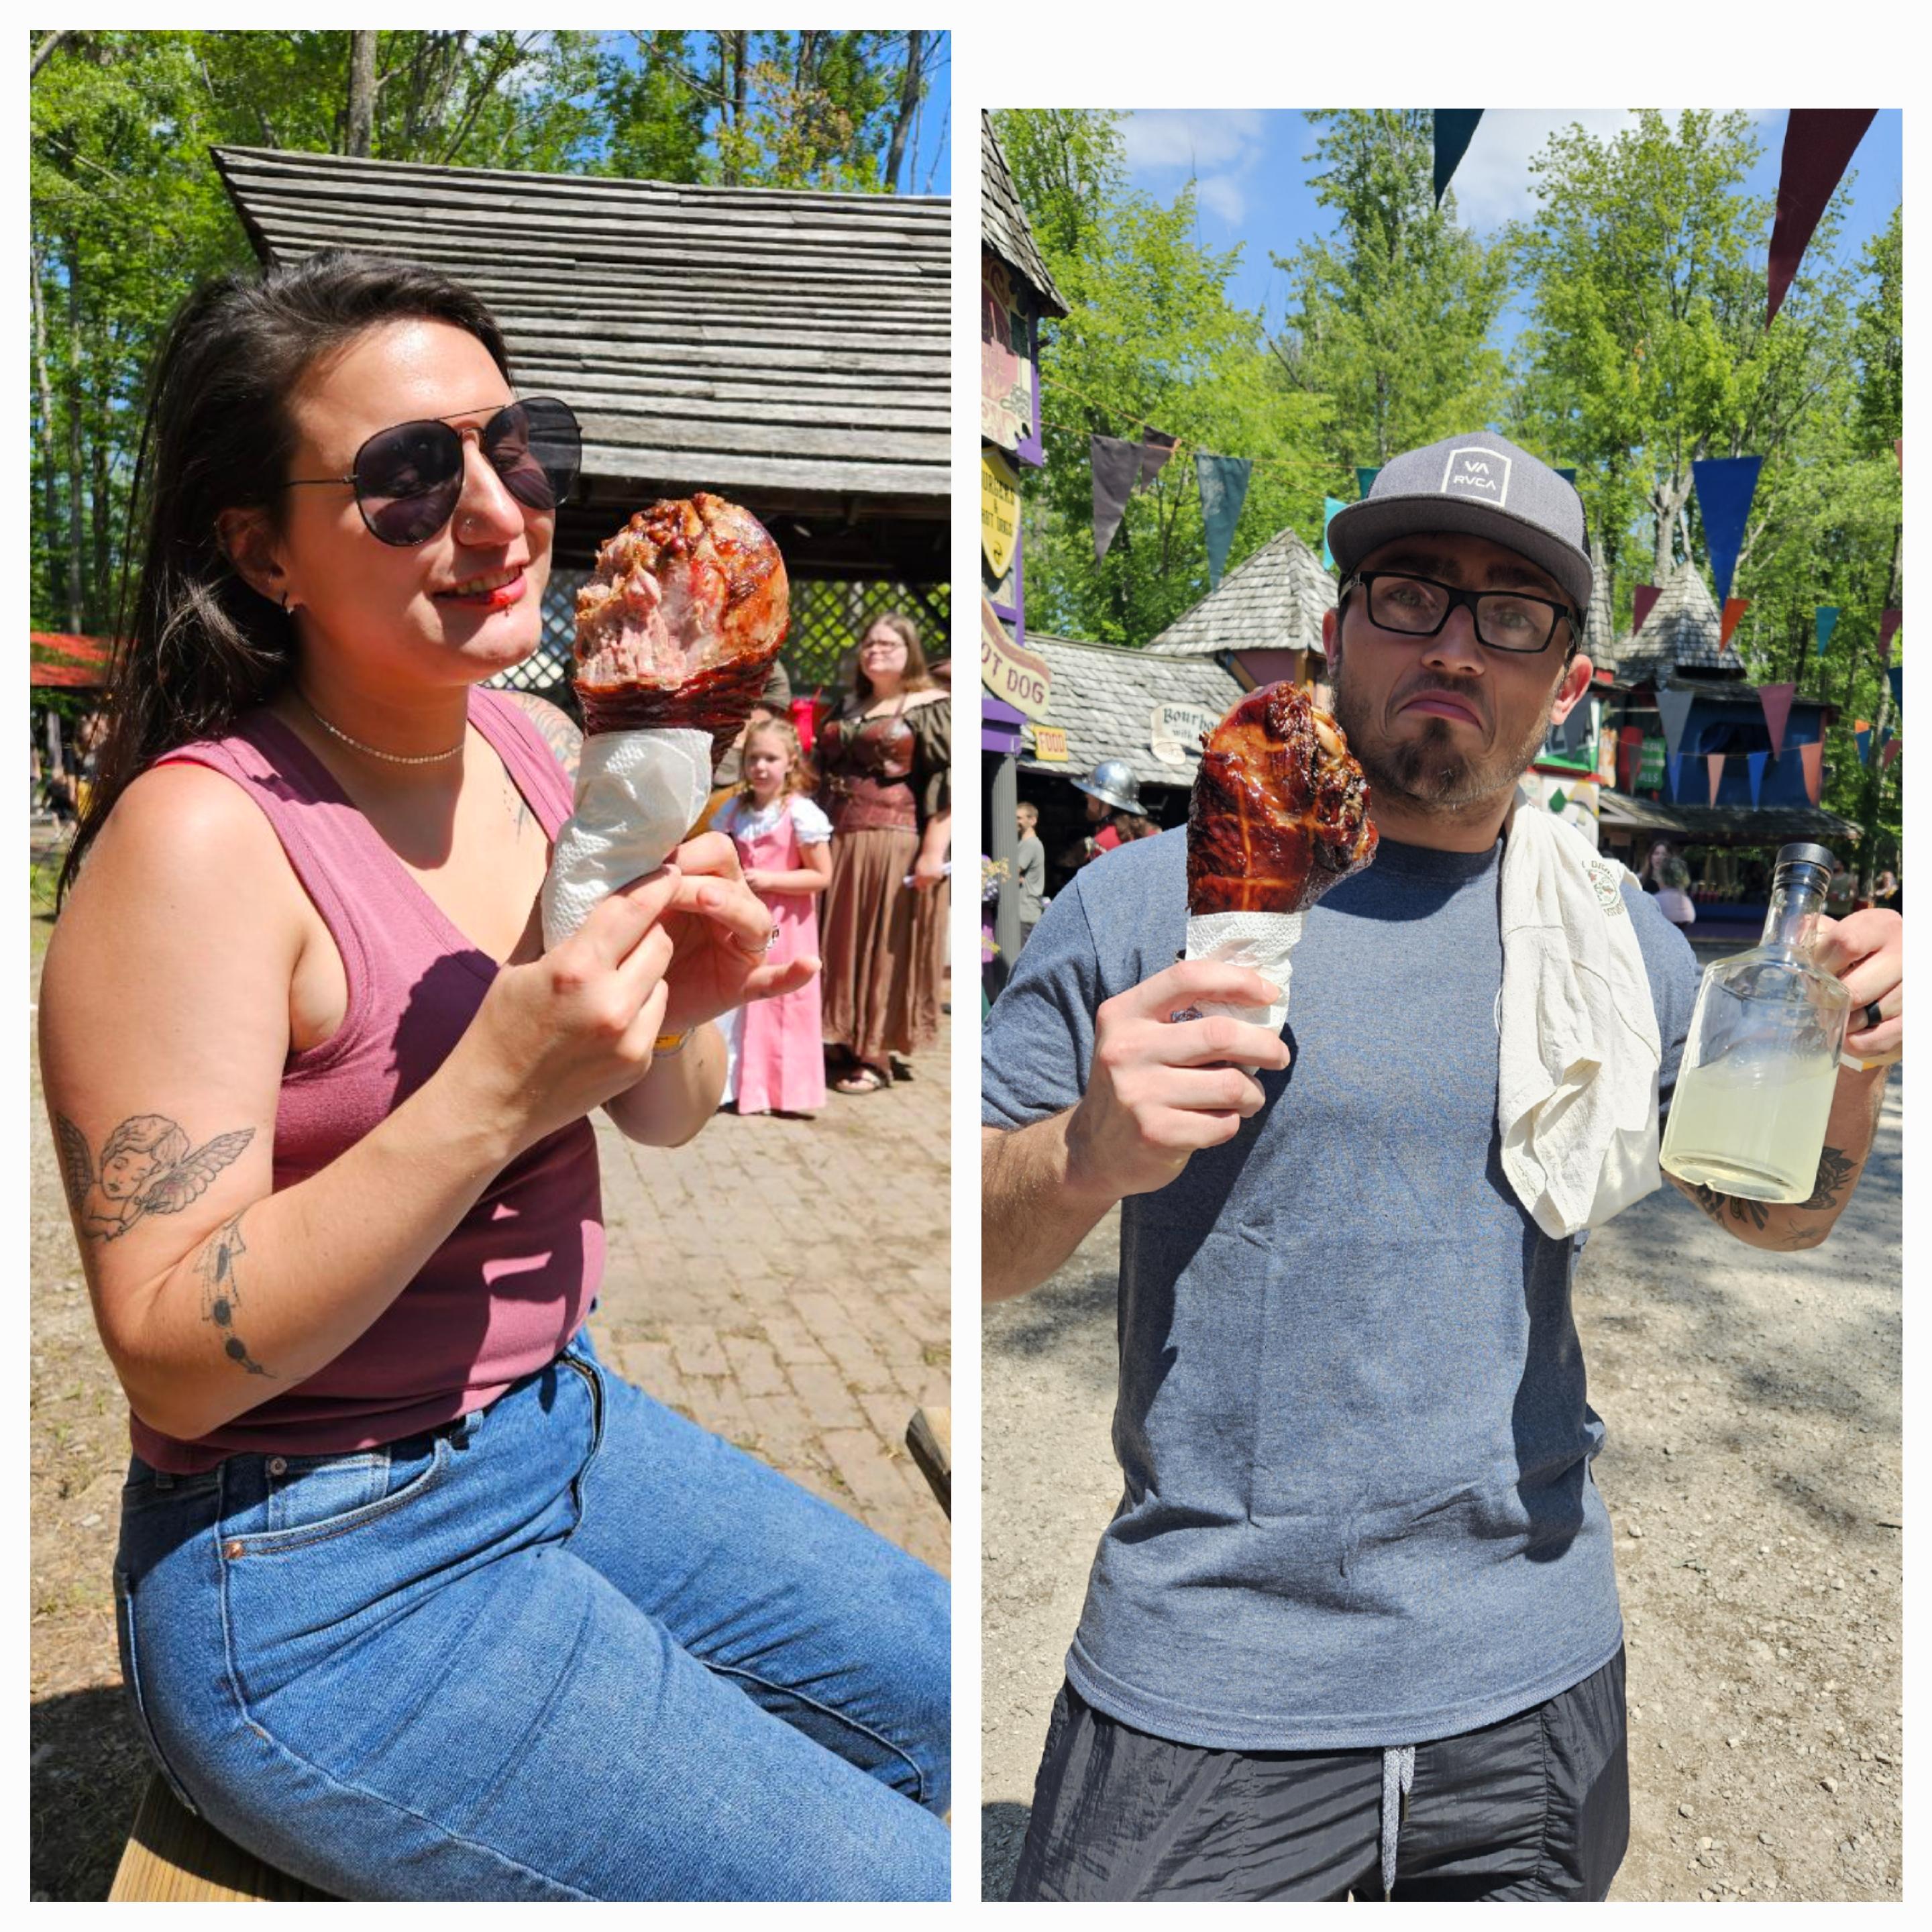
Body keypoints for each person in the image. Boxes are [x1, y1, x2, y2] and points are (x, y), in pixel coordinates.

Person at [38, 250, 948, 1902]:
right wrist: (498, 1090)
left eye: (518, 448)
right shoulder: (201, 842)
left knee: (961, 1697)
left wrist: (686, 1006)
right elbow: (172, 1354)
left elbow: (662, 1112)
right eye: (405, 476)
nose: (498, 513)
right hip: (318, 1567)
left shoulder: (544, 757)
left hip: (559, 1427)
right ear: (263, 550)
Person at [981, 431, 1904, 1902]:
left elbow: (1774, 1217)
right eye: (1411, 592)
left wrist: (1851, 1060)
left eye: (1513, 614)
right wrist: (1085, 1154)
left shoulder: (1618, 943)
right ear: (1337, 624)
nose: (1456, 646)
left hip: (1531, 1682)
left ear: (1569, 682)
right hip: (1209, 1677)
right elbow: (972, 1251)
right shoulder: (1145, 907)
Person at [815, 612, 951, 1095]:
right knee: (837, 942)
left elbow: (949, 786)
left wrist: (933, 852)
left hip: (891, 840)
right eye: (869, 643)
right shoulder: (847, 705)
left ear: (909, 651)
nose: (875, 651)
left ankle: (875, 1052)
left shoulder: (932, 707)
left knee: (882, 944)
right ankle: (840, 1035)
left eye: (888, 644)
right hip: (834, 837)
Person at [713, 715, 832, 1117]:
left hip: (786, 924)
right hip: (741, 920)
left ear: (790, 762)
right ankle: (731, 1087)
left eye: (770, 759)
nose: (760, 767)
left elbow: (821, 875)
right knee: (736, 999)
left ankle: (779, 1093)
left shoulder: (801, 813)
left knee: (781, 1003)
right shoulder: (734, 810)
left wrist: (771, 878)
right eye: (753, 758)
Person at [1071, 760, 1142, 861]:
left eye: (1091, 793)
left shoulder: (1102, 842)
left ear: (1102, 800)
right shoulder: (1135, 834)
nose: (1087, 795)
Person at [1014, 800, 1046, 953]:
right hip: (1026, 912)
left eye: (1019, 818)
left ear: (1032, 821)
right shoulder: (1024, 844)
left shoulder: (1031, 845)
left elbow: (1009, 872)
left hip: (1026, 913)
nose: (1015, 821)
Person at [1654, 855, 1697, 930]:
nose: (1656, 879)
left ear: (1663, 877)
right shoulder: (1686, 900)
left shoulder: (1656, 900)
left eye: (1658, 876)